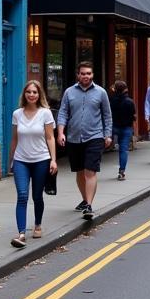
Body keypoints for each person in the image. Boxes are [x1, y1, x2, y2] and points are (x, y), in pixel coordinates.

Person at [56, 63, 112, 221]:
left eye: (88, 73)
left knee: (90, 171)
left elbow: (107, 115)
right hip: (74, 137)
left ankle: (89, 205)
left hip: (94, 136)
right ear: (78, 75)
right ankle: (85, 199)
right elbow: (63, 113)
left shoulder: (101, 92)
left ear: (92, 75)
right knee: (80, 172)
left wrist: (107, 135)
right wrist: (60, 132)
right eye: (83, 73)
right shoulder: (69, 92)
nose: (86, 76)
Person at [9, 79, 58, 248]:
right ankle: (21, 233)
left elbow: (50, 137)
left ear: (39, 95)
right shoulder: (17, 114)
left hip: (41, 160)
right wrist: (11, 161)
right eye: (28, 92)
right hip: (21, 160)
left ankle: (37, 224)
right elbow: (14, 139)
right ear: (24, 94)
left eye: (34, 92)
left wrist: (53, 160)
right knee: (22, 195)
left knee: (37, 196)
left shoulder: (45, 113)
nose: (31, 95)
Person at [109, 81, 136, 180]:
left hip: (115, 126)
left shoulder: (112, 100)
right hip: (126, 127)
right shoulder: (130, 101)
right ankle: (121, 171)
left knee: (106, 144)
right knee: (123, 150)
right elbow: (134, 115)